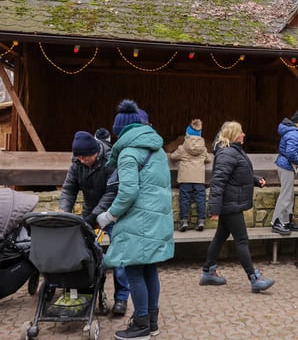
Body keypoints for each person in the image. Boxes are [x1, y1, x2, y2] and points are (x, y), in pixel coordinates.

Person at [96, 99, 174, 339]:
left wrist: (109, 215)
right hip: (157, 219)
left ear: (120, 131)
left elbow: (128, 191)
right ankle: (151, 322)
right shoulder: (158, 150)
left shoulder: (128, 153)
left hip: (137, 221)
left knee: (133, 272)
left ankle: (140, 325)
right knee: (150, 271)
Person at [59, 131, 130, 316]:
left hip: (113, 213)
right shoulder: (76, 164)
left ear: (95, 152)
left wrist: (95, 217)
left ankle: (121, 298)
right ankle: (87, 292)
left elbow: (111, 193)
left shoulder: (110, 160)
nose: (82, 160)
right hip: (90, 211)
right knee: (85, 252)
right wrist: (64, 212)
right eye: (79, 157)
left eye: (85, 157)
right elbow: (68, 189)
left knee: (119, 254)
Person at [198, 121, 274, 293]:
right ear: (234, 135)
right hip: (229, 204)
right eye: (241, 132)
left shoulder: (232, 151)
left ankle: (207, 272)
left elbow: (238, 173)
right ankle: (254, 278)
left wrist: (255, 179)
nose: (244, 135)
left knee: (220, 237)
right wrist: (214, 209)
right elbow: (217, 183)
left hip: (230, 202)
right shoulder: (227, 153)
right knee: (241, 240)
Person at [271, 108, 298, 235]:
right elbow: (291, 152)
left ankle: (286, 221)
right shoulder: (293, 133)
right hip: (287, 165)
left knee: (289, 194)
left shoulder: (291, 131)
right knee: (286, 195)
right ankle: (277, 222)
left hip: (286, 165)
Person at [170, 119, 213, 232]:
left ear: (187, 134)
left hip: (185, 179)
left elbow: (173, 157)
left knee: (184, 199)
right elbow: (209, 159)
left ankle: (184, 221)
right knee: (200, 199)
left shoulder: (182, 148)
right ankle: (201, 221)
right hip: (199, 179)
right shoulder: (203, 149)